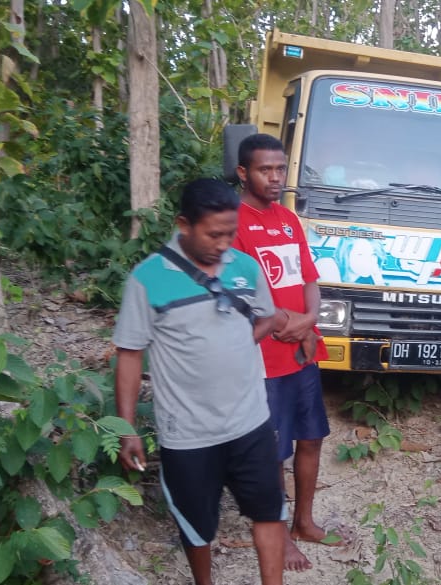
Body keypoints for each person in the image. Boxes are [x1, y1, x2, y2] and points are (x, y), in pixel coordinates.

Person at [114, 178, 284, 585]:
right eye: (214, 234)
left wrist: (241, 344)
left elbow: (267, 316)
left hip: (250, 422)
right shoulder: (147, 279)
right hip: (188, 434)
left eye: (231, 232)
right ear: (184, 224)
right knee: (196, 527)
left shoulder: (244, 267)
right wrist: (126, 430)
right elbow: (130, 355)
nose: (224, 243)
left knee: (269, 512)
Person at [233, 133, 335, 573]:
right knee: (274, 450)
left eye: (280, 169)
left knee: (311, 437)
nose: (275, 178)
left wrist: (308, 321)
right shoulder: (232, 221)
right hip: (264, 359)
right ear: (243, 173)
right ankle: (278, 533)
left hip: (302, 351)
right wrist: (285, 325)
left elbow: (309, 278)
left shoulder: (288, 220)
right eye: (265, 170)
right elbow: (236, 294)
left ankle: (304, 522)